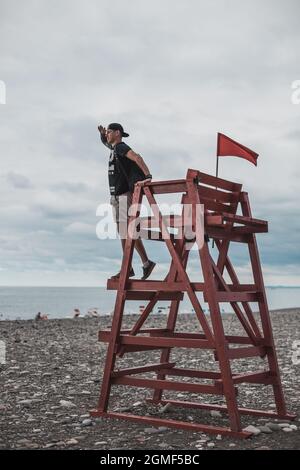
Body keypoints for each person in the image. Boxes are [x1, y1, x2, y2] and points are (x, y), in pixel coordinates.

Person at [98, 122, 156, 280]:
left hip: (124, 195)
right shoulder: (114, 149)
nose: (107, 134)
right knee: (124, 232)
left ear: (117, 133)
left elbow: (137, 157)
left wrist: (148, 176)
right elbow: (106, 142)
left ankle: (138, 265)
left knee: (127, 231)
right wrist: (102, 136)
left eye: (109, 132)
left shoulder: (120, 147)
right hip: (117, 197)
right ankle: (136, 266)